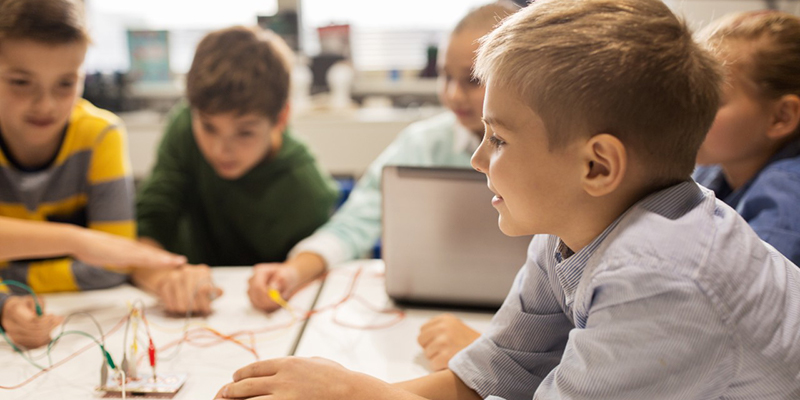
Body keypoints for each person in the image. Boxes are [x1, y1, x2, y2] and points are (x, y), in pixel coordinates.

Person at [215, 0, 800, 399]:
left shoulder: (664, 277)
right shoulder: (570, 225)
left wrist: (353, 392)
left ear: (596, 165)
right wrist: (355, 386)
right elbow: (494, 370)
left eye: (498, 139)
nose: (478, 159)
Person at [245, 1, 518, 314]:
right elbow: (355, 222)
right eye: (445, 76)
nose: (454, 94)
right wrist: (293, 270)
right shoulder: (422, 143)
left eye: (472, 80)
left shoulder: (542, 155)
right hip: (432, 309)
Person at [0, 0, 185, 349]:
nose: (46, 105)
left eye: (66, 84)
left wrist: (6, 284)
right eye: (21, 82)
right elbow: (103, 256)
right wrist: (77, 242)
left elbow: (109, 267)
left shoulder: (101, 135)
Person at [135, 26, 338, 315]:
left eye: (244, 132)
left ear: (281, 118)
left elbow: (315, 277)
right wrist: (164, 279)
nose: (220, 150)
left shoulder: (306, 188)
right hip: (186, 314)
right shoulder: (184, 127)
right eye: (209, 127)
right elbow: (148, 226)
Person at [694, 11, 800, 265]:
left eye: (710, 100)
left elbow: (740, 296)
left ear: (781, 118)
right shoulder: (714, 166)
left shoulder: (787, 192)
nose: (687, 110)